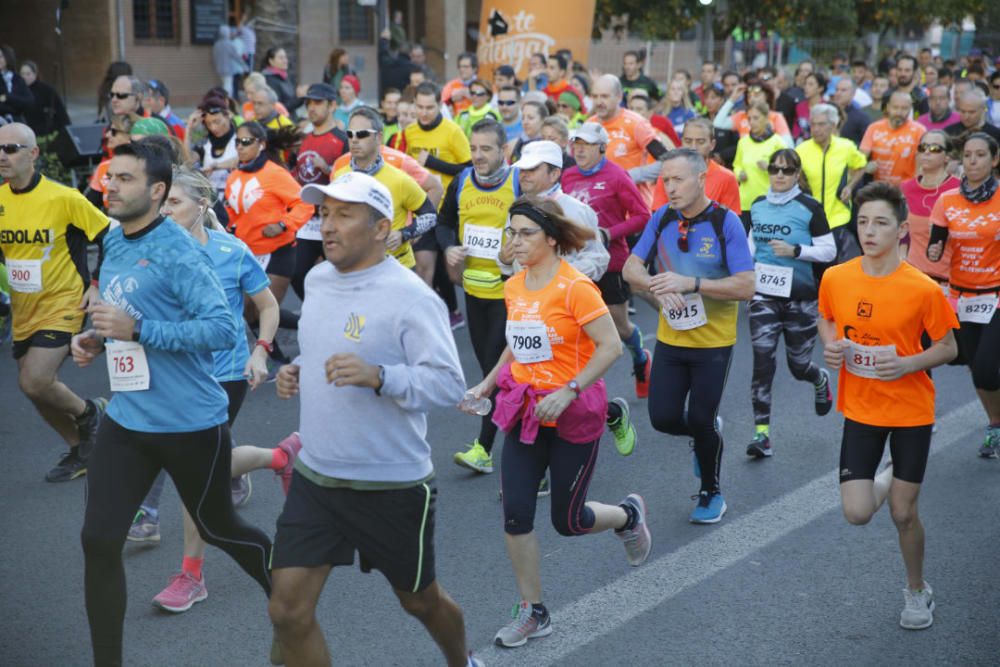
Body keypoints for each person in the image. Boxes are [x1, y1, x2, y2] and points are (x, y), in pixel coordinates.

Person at [266, 171, 481, 667]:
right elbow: (330, 347)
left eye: (344, 214)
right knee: (287, 611)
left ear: (381, 228)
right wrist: (298, 370)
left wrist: (381, 377)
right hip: (317, 477)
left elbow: (448, 384)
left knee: (419, 601)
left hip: (389, 484)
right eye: (323, 213)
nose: (328, 226)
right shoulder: (317, 279)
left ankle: (461, 661)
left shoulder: (410, 297)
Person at [72, 141, 275, 665]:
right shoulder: (113, 239)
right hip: (128, 417)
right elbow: (115, 305)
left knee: (218, 527)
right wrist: (98, 338)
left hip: (190, 422)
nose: (108, 187)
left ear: (157, 191)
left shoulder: (181, 250)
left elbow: (220, 329)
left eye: (123, 179)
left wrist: (139, 329)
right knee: (98, 539)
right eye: (108, 177)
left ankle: (288, 596)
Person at [463, 195, 652, 648]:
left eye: (526, 233)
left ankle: (627, 516)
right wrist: (486, 384)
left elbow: (608, 346)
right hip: (526, 412)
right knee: (515, 514)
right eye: (511, 232)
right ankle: (534, 611)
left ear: (551, 238)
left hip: (573, 413)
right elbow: (515, 343)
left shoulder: (575, 287)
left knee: (568, 521)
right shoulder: (514, 285)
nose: (515, 241)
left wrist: (568, 390)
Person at [127, 167, 299, 614]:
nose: (164, 212)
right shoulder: (150, 251)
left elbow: (267, 305)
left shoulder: (230, 250)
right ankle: (276, 457)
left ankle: (191, 575)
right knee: (204, 466)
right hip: (173, 373)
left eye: (174, 203)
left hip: (223, 377)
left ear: (202, 205)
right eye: (160, 204)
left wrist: (260, 351)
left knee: (194, 472)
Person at [818, 181, 959, 631]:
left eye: (880, 222)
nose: (869, 231)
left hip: (911, 410)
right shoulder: (836, 277)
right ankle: (887, 475)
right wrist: (831, 347)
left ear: (902, 230)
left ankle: (917, 591)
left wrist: (906, 364)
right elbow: (826, 318)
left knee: (903, 512)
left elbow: (948, 347)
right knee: (857, 513)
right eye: (862, 222)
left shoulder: (922, 289)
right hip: (860, 408)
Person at [623, 149, 755, 524]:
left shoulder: (725, 222)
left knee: (699, 416)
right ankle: (706, 431)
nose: (670, 187)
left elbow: (746, 286)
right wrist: (657, 285)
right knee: (662, 418)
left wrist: (692, 282)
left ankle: (712, 492)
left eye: (678, 180)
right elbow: (632, 268)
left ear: (701, 180)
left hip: (713, 342)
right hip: (671, 338)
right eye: (665, 180)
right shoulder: (662, 216)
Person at [0, 122, 109, 481]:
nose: (2, 156)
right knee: (36, 391)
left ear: (33, 154)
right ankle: (81, 450)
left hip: (64, 302)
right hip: (24, 307)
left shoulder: (64, 198)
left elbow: (111, 236)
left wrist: (95, 282)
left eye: (11, 149)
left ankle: (91, 412)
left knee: (35, 381)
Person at [436, 119, 519, 473]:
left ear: (503, 151)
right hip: (474, 292)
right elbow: (442, 223)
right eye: (474, 149)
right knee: (499, 370)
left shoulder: (519, 181)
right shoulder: (461, 181)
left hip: (511, 294)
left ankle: (485, 448)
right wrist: (449, 247)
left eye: (486, 149)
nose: (478, 155)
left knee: (494, 370)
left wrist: (516, 247)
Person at [745, 149, 835, 457]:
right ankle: (761, 434)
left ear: (797, 174)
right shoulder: (757, 205)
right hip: (764, 297)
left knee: (798, 366)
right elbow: (750, 246)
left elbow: (828, 250)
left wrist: (796, 251)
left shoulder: (809, 207)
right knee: (762, 360)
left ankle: (818, 377)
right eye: (774, 169)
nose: (779, 175)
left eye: (786, 170)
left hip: (801, 298)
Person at [562, 122, 652, 406]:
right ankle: (582, 389)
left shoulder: (616, 176)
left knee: (618, 326)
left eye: (586, 145)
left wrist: (608, 233)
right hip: (576, 264)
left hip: (612, 262)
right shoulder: (567, 176)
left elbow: (642, 216)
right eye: (576, 144)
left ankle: (640, 356)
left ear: (602, 148)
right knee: (577, 327)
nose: (580, 150)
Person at [927, 133, 1000, 457]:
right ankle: (995, 423)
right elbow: (936, 243)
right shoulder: (947, 201)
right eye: (968, 155)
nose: (972, 161)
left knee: (985, 367)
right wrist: (932, 250)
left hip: (997, 294)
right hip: (964, 296)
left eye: (980, 155)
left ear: (994, 160)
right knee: (975, 365)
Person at [224, 121, 312, 362]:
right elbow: (233, 212)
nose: (240, 147)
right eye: (237, 142)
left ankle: (277, 358)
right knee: (248, 309)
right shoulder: (235, 176)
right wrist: (230, 230)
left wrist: (283, 224)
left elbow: (305, 203)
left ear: (261, 144)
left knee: (266, 308)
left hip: (278, 251)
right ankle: (303, 332)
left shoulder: (274, 173)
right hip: (248, 253)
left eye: (245, 142)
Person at [335, 106, 437, 270]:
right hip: (355, 265)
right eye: (350, 134)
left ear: (378, 137)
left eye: (362, 134)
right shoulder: (340, 176)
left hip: (396, 266)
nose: (354, 139)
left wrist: (404, 234)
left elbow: (430, 215)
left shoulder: (399, 179)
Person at [403, 82, 471, 323]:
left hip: (448, 210)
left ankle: (457, 309)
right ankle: (426, 321)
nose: (424, 112)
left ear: (440, 105)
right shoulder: (410, 132)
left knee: (450, 272)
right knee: (423, 266)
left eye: (430, 107)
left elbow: (468, 167)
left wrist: (432, 162)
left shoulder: (452, 131)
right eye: (420, 107)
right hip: (422, 207)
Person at [504, 140, 609, 282]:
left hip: (563, 299)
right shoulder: (517, 208)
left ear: (554, 174)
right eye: (522, 169)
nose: (524, 175)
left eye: (532, 169)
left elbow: (598, 259)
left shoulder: (577, 211)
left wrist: (557, 274)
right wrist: (504, 260)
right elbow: (509, 260)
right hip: (524, 298)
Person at [290, 82, 349, 300]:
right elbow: (297, 173)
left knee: (341, 272)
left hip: (333, 216)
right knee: (297, 273)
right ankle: (319, 306)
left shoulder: (342, 140)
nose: (311, 108)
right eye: (308, 103)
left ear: (332, 105)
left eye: (317, 102)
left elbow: (350, 178)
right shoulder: (304, 139)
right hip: (307, 218)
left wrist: (328, 168)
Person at [796, 103, 868, 261]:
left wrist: (850, 187)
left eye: (821, 124)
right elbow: (794, 173)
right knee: (816, 262)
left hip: (837, 214)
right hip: (810, 216)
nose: (816, 129)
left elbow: (861, 166)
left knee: (834, 260)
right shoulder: (802, 149)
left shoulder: (846, 147)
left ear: (833, 125)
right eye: (813, 124)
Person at [588, 74, 670, 205]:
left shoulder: (636, 123)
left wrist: (630, 176)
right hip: (601, 205)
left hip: (633, 206)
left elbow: (668, 161)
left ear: (619, 97)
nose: (599, 102)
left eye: (604, 96)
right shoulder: (589, 126)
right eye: (595, 96)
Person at [900, 130, 959, 285]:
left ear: (947, 156)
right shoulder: (906, 188)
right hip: (913, 277)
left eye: (934, 149)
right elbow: (901, 235)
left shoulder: (959, 190)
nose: (926, 152)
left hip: (950, 280)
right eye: (922, 147)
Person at [651, 117, 741, 214]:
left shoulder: (726, 178)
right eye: (688, 141)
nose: (693, 147)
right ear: (682, 142)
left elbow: (731, 223)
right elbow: (658, 217)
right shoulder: (667, 173)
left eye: (700, 142)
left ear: (712, 144)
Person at [734, 101, 786, 230]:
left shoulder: (778, 142)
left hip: (769, 202)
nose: (751, 122)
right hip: (745, 203)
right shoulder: (743, 142)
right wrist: (739, 173)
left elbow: (787, 172)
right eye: (749, 118)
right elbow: (736, 164)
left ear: (766, 118)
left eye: (756, 118)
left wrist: (770, 168)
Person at [860, 91, 925, 186]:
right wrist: (866, 167)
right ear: (888, 107)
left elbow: (922, 164)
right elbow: (860, 158)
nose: (899, 112)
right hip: (878, 187)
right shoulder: (874, 128)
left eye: (904, 108)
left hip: (906, 188)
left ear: (910, 109)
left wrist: (914, 188)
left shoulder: (919, 131)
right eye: (895, 107)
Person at [185, 94, 239, 200]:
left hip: (235, 200)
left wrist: (216, 166)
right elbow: (188, 162)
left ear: (228, 115)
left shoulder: (240, 138)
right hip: (213, 203)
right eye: (209, 124)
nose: (213, 128)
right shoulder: (205, 144)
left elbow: (240, 160)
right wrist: (188, 129)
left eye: (217, 122)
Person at [714, 80, 793, 147]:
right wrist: (733, 98)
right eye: (749, 96)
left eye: (756, 95)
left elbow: (788, 145)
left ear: (766, 96)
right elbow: (718, 123)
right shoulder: (742, 116)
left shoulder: (776, 117)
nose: (752, 99)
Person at [86, 113, 137, 210]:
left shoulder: (142, 166)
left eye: (114, 132)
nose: (107, 135)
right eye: (109, 130)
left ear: (130, 136)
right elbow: (89, 206)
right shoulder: (103, 167)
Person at [17, 60, 70, 139]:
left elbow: (61, 112)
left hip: (44, 132)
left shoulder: (46, 90)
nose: (24, 77)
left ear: (35, 74)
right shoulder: (17, 90)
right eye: (22, 74)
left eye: (28, 74)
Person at [261, 47, 303, 116]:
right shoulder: (270, 80)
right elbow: (278, 107)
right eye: (281, 58)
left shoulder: (286, 77)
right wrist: (299, 98)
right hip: (282, 122)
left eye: (285, 57)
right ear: (271, 61)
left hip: (292, 118)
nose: (285, 60)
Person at [832, 77, 872, 146]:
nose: (838, 93)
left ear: (853, 93)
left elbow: (867, 144)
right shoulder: (828, 113)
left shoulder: (861, 117)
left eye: (843, 90)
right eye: (837, 90)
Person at [212, 26, 248, 98]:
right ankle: (227, 100)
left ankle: (224, 99)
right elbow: (236, 57)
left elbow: (214, 57)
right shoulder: (229, 44)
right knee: (228, 86)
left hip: (219, 69)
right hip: (228, 69)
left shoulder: (216, 44)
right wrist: (244, 66)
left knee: (224, 84)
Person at [0, 46, 33, 122]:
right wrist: (16, 107)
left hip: (17, 121)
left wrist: (7, 98)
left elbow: (29, 102)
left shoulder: (17, 79)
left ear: (8, 57)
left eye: (1, 56)